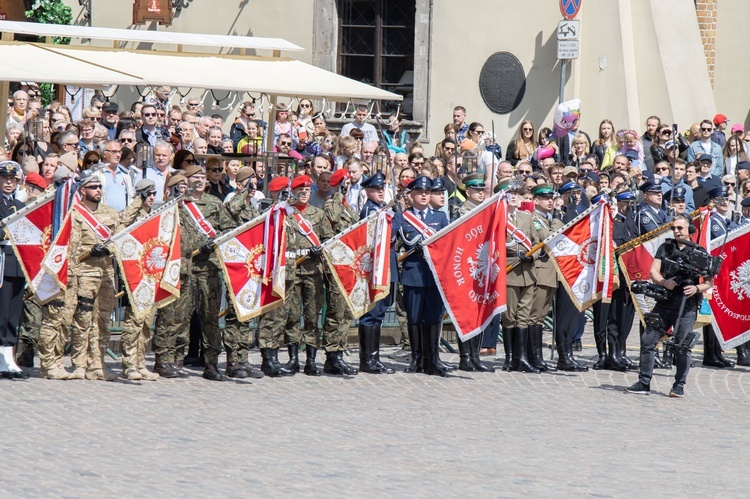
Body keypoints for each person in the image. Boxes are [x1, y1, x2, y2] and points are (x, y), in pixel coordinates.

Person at [625, 214, 713, 397]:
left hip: (686, 306)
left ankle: (679, 385)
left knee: (682, 346)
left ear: (689, 229)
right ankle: (643, 382)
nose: (676, 231)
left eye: (680, 228)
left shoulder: (699, 252)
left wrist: (696, 288)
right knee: (648, 340)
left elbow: (710, 282)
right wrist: (665, 282)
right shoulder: (666, 247)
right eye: (674, 228)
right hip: (665, 303)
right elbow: (653, 272)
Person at [67, 175, 122, 381]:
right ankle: (79, 364)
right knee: (83, 320)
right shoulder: (75, 213)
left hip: (106, 272)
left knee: (103, 320)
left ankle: (97, 364)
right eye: (93, 187)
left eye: (100, 186)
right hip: (84, 272)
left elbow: (119, 238)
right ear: (82, 190)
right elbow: (71, 245)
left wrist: (108, 249)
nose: (98, 190)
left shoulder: (110, 213)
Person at [396, 175, 450, 376]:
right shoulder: (403, 216)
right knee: (414, 317)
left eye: (427, 193)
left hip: (434, 274)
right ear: (411, 196)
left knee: (433, 317)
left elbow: (446, 243)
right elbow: (398, 242)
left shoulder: (440, 217)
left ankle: (433, 359)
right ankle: (417, 358)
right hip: (413, 273)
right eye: (419, 192)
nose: (424, 196)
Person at [151, 173, 202, 379]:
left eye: (184, 186)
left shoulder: (187, 212)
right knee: (168, 318)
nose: (182, 190)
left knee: (183, 318)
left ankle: (177, 358)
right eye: (178, 187)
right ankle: (163, 359)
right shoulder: (165, 211)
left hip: (187, 270)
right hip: (170, 273)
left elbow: (196, 238)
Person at [117, 179, 160, 380]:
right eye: (147, 193)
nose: (151, 197)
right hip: (133, 275)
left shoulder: (153, 215)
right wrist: (137, 201)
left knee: (145, 323)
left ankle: (141, 362)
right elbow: (122, 224)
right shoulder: (134, 214)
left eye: (153, 193)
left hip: (149, 275)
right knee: (133, 322)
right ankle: (129, 364)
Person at [357, 172, 399, 374]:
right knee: (372, 314)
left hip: (387, 265)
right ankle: (368, 359)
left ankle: (374, 358)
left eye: (382, 188)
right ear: (367, 191)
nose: (381, 192)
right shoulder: (370, 211)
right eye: (376, 189)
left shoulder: (383, 209)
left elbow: (397, 230)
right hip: (376, 268)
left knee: (380, 313)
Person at [320, 168, 359, 376]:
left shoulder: (348, 208)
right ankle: (332, 355)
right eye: (345, 183)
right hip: (335, 266)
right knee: (336, 312)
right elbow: (332, 219)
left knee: (346, 312)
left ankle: (340, 352)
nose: (348, 186)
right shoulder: (332, 205)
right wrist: (337, 193)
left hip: (349, 266)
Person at [527, 183, 562, 372]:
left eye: (551, 198)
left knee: (540, 318)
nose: (550, 201)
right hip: (540, 273)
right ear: (536, 201)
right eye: (546, 198)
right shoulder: (536, 219)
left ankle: (536, 356)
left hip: (550, 274)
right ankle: (534, 356)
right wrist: (557, 219)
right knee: (534, 317)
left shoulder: (548, 219)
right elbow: (550, 237)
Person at [0, 161, 29, 379]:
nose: (8, 182)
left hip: (18, 265)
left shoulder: (20, 206)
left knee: (13, 313)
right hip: (2, 262)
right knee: (1, 313)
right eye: (5, 178)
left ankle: (9, 356)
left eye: (12, 179)